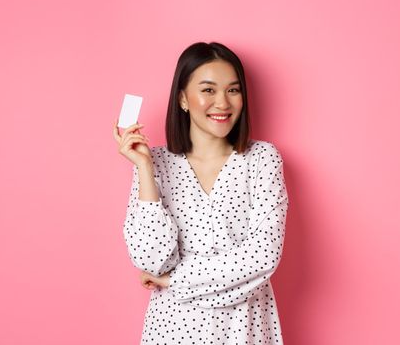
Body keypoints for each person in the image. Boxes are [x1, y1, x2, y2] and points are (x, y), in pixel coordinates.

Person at [113, 42, 289, 344]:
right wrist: (143, 167)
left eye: (233, 90)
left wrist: (175, 280)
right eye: (208, 90)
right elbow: (151, 259)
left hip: (243, 328)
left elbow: (262, 257)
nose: (223, 102)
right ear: (182, 98)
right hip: (173, 329)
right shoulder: (156, 164)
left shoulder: (262, 159)